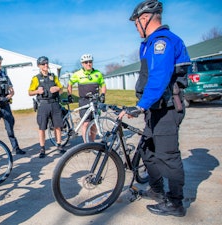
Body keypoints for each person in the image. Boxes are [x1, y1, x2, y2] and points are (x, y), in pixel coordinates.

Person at [121, 0, 191, 217]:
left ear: (145, 19)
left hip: (167, 109)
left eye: (136, 24)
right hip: (156, 108)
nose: (136, 29)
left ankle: (176, 203)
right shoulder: (150, 43)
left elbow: (159, 79)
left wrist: (140, 107)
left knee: (168, 156)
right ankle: (157, 191)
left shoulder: (162, 42)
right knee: (148, 151)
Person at [28, 56, 64, 158]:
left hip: (54, 104)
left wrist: (57, 89)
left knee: (57, 125)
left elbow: (61, 89)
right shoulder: (36, 78)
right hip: (43, 105)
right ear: (39, 66)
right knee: (42, 127)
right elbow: (30, 92)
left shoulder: (53, 76)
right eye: (43, 64)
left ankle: (59, 145)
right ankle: (42, 148)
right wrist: (37, 91)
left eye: (47, 63)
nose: (46, 65)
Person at [67, 53, 106, 142]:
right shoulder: (77, 74)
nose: (88, 64)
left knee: (95, 123)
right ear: (82, 64)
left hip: (95, 101)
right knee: (85, 123)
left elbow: (103, 85)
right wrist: (69, 95)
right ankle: (85, 143)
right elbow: (70, 84)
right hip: (84, 101)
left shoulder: (98, 73)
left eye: (90, 62)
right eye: (86, 62)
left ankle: (91, 142)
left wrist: (103, 94)